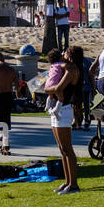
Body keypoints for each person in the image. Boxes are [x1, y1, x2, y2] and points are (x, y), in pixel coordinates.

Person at [44, 49, 81, 195]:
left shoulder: (71, 69)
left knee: (67, 149)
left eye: (65, 53)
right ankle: (67, 181)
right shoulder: (65, 68)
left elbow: (59, 88)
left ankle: (73, 184)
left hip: (64, 110)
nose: (63, 55)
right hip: (58, 108)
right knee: (62, 149)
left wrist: (47, 89)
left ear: (70, 56)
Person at [68, 45, 89, 128]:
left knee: (80, 104)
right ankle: (77, 120)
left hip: (82, 86)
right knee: (76, 104)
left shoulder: (82, 63)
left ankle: (82, 120)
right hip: (79, 86)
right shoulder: (73, 63)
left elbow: (90, 73)